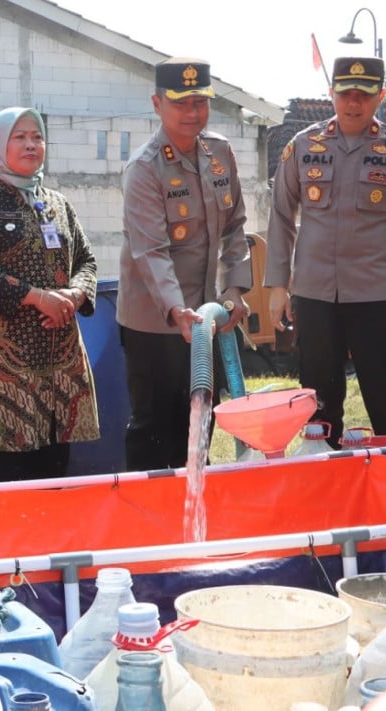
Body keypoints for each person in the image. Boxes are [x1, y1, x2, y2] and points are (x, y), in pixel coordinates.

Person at [265, 57, 386, 449]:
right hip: (314, 295)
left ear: (381, 96)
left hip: (374, 295)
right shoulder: (304, 146)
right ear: (331, 94)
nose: (354, 103)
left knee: (384, 397)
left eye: (364, 95)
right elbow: (281, 216)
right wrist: (277, 285)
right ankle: (323, 483)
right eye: (345, 93)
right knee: (318, 401)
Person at [117, 58, 251, 471]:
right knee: (156, 428)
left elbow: (234, 228)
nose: (193, 113)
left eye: (201, 102)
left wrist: (235, 290)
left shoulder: (220, 153)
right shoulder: (144, 168)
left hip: (205, 316)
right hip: (155, 321)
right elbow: (152, 252)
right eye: (182, 104)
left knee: (200, 421)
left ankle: (197, 512)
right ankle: (148, 519)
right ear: (158, 104)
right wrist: (177, 311)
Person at [0, 106, 98, 482]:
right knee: (4, 473)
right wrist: (36, 297)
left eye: (37, 136)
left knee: (54, 471)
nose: (31, 145)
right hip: (2, 365)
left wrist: (74, 296)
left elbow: (86, 261)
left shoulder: (57, 203)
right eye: (20, 137)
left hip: (59, 359)